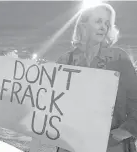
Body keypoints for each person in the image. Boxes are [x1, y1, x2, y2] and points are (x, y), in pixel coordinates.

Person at [56, 3, 137, 152]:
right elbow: (52, 102)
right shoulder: (65, 61)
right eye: (98, 21)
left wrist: (123, 132)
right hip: (72, 143)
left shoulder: (119, 58)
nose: (103, 27)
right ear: (83, 24)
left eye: (107, 23)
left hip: (110, 146)